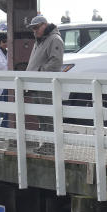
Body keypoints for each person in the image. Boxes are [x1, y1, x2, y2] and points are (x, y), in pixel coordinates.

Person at [25, 15, 64, 151]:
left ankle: (51, 147)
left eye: (36, 27)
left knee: (48, 116)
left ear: (44, 25)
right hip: (37, 85)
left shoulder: (54, 39)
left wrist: (39, 71)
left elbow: (56, 62)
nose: (34, 31)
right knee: (41, 116)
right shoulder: (40, 40)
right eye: (32, 28)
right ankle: (46, 145)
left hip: (45, 85)